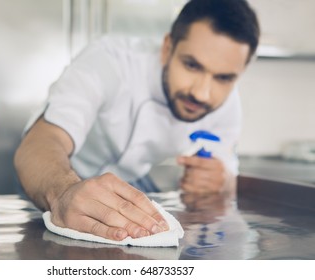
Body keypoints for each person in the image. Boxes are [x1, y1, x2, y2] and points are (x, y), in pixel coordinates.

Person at [14, 0, 260, 242]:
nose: (202, 93)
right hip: (56, 178)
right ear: (167, 48)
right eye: (192, 65)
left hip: (131, 186)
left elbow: (227, 176)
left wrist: (219, 181)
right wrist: (63, 193)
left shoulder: (226, 104)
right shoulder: (110, 60)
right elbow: (42, 141)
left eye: (224, 78)